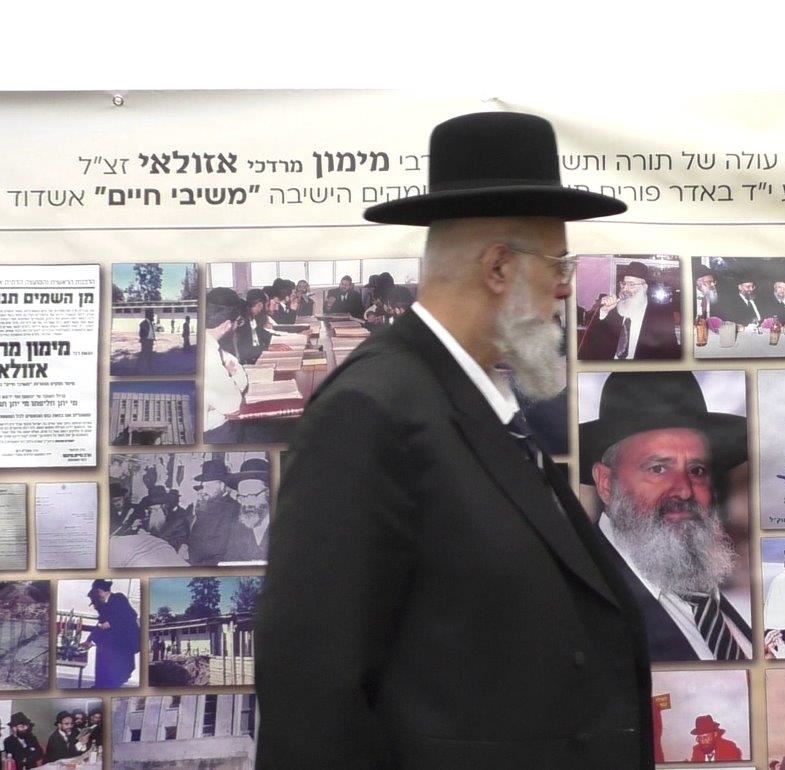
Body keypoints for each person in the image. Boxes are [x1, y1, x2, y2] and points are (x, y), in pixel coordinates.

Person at [257, 112, 652, 769]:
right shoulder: (371, 410)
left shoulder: (476, 397)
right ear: (498, 267)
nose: (566, 287)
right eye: (559, 263)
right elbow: (313, 692)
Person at [583, 371, 751, 662]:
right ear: (606, 484)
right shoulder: (583, 600)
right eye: (658, 469)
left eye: (697, 470)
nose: (685, 490)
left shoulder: (720, 600)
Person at [578, 261, 679, 360]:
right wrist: (604, 312)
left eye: (631, 284)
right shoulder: (612, 309)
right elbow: (591, 344)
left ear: (644, 287)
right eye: (624, 283)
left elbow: (669, 352)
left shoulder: (660, 314)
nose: (625, 288)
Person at [203, 289, 248, 444]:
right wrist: (231, 377)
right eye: (237, 322)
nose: (236, 327)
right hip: (213, 434)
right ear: (227, 325)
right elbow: (233, 406)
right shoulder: (210, 354)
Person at [81, 578, 141, 688]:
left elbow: (131, 615)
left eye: (96, 595)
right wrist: (89, 640)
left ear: (100, 592)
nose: (96, 602)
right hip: (112, 644)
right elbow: (100, 625)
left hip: (123, 645)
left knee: (116, 672)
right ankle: (100, 686)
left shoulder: (119, 598)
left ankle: (105, 687)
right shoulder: (104, 605)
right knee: (103, 656)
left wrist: (111, 623)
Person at [186, 459, 242, 566]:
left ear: (222, 486)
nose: (204, 491)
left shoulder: (233, 509)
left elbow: (221, 548)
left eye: (209, 486)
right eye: (204, 486)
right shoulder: (207, 505)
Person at [224, 457, 271, 562]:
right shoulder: (237, 526)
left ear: (268, 493)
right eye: (242, 496)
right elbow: (229, 561)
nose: (247, 503)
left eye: (252, 495)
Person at [137, 308, 157, 374]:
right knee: (144, 355)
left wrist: (153, 338)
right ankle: (141, 369)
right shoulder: (143, 323)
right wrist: (144, 340)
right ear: (149, 315)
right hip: (146, 341)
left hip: (150, 341)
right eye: (152, 315)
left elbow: (151, 331)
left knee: (149, 355)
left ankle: (149, 368)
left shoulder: (150, 323)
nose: (153, 316)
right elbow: (141, 334)